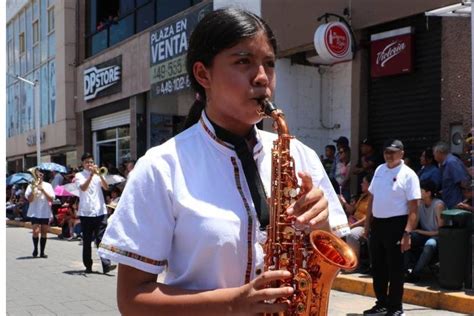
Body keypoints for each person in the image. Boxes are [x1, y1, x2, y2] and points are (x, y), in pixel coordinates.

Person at [98, 8, 349, 315]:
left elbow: (340, 252)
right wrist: (231, 304)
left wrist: (322, 226)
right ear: (203, 74)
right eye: (243, 62)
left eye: (269, 64)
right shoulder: (161, 167)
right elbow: (132, 299)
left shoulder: (300, 155)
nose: (261, 78)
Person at [363, 139, 421, 316]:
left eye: (393, 152)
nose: (389, 155)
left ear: (402, 154)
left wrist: (407, 233)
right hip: (378, 224)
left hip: (397, 225)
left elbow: (413, 208)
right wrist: (367, 223)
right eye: (386, 152)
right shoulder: (380, 170)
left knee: (395, 268)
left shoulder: (408, 174)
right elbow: (371, 198)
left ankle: (395, 307)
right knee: (378, 267)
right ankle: (381, 303)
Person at [75, 153, 116, 274]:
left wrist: (100, 175)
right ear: (83, 163)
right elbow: (83, 188)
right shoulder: (79, 175)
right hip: (86, 212)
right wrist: (91, 176)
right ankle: (88, 265)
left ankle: (106, 265)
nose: (90, 164)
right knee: (87, 241)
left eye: (91, 162)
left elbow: (106, 187)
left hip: (100, 211)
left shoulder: (98, 174)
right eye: (87, 162)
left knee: (101, 239)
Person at [405, 180, 445, 282]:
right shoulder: (420, 204)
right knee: (407, 237)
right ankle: (407, 269)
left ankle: (415, 273)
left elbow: (441, 231)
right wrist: (415, 207)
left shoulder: (438, 205)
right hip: (424, 234)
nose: (418, 192)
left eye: (421, 190)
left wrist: (419, 232)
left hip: (437, 236)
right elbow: (413, 226)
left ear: (428, 193)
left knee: (430, 244)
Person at [340, 174, 373, 265]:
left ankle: (353, 264)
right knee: (337, 229)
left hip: (363, 225)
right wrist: (343, 202)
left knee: (352, 234)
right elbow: (352, 210)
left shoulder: (373, 198)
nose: (361, 184)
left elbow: (368, 217)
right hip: (354, 222)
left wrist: (353, 225)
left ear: (370, 185)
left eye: (364, 183)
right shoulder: (363, 196)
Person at [25, 170, 55, 258]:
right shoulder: (31, 185)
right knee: (35, 231)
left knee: (44, 232)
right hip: (34, 211)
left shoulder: (48, 185)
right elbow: (29, 199)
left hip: (45, 211)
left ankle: (42, 252)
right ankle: (35, 249)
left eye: (40, 175)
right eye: (37, 175)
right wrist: (34, 189)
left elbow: (51, 199)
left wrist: (43, 190)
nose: (39, 176)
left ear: (43, 175)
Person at [433, 141, 471, 209]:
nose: (434, 156)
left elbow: (463, 182)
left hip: (457, 204)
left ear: (439, 152)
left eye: (434, 153)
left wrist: (465, 200)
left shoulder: (452, 162)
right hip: (449, 202)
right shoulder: (444, 164)